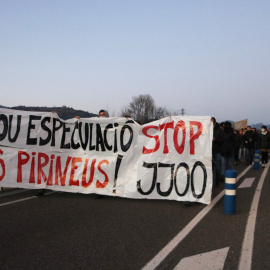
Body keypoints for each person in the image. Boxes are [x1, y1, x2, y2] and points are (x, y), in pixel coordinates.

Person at [211, 117, 225, 186]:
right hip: (209, 151)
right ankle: (210, 182)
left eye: (212, 122)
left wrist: (215, 139)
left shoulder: (219, 130)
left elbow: (222, 140)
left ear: (214, 122)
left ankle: (217, 181)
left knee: (217, 167)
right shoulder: (207, 129)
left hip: (217, 151)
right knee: (210, 168)